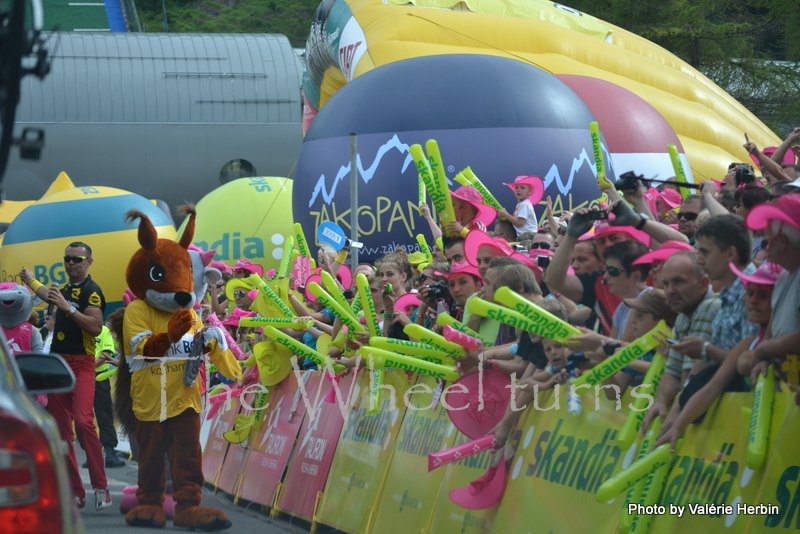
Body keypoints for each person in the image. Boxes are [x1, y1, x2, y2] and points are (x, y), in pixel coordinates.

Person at [19, 242, 110, 511]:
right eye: (67, 259)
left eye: (77, 259)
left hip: (82, 365)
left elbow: (95, 327)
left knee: (83, 423)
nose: (71, 263)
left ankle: (101, 487)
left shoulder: (93, 291)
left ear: (89, 262)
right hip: (58, 365)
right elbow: (50, 294)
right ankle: (75, 491)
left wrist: (67, 308)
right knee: (61, 432)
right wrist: (31, 280)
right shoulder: (66, 289)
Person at [654, 262, 782, 451]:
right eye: (750, 293)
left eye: (763, 295)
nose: (753, 300)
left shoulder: (786, 342)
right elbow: (711, 389)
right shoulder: (747, 344)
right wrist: (678, 426)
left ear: (779, 299)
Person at [641, 251, 720, 436]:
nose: (670, 290)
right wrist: (660, 401)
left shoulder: (709, 308)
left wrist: (672, 421)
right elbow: (673, 370)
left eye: (679, 281)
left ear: (703, 284)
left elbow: (689, 378)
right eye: (666, 283)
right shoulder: (683, 316)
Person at [737, 194, 800, 391]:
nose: (765, 248)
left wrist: (763, 351)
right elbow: (770, 339)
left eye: (767, 240)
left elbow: (768, 345)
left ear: (781, 241)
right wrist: (766, 359)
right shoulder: (783, 279)